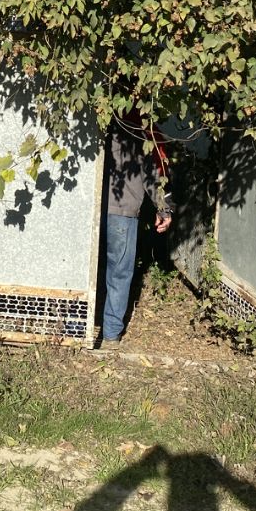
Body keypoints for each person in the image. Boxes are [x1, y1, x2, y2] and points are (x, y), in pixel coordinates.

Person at [100, 111, 171, 346]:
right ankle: (110, 335)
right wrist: (164, 209)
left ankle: (75, 325)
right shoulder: (141, 130)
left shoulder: (93, 123)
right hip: (123, 211)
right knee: (119, 273)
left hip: (91, 208)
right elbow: (154, 174)